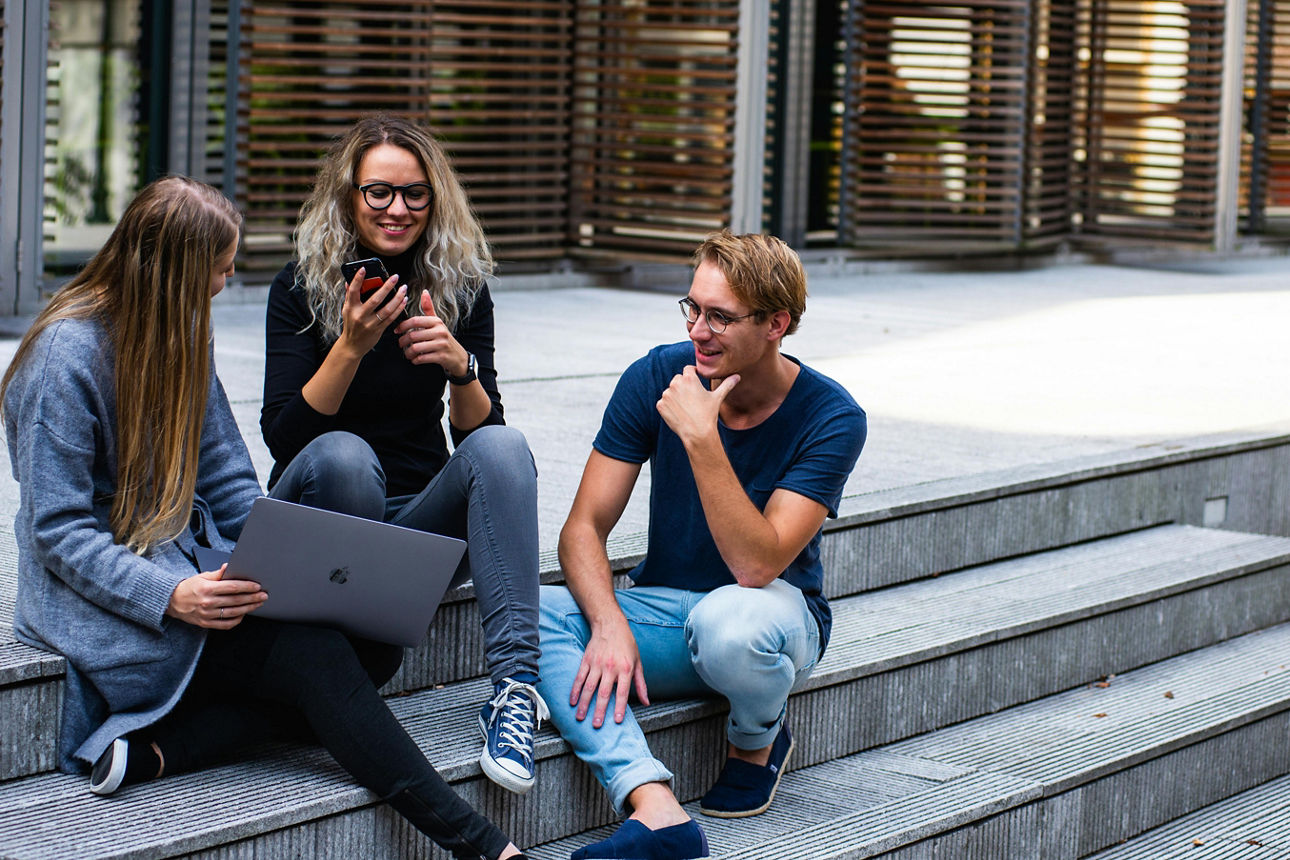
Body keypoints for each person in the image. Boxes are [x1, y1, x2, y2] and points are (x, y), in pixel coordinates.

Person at [1, 176, 529, 860]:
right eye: (218, 272)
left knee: (373, 650)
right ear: (174, 272)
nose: (223, 286)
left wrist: (270, 558)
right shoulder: (62, 360)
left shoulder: (182, 331)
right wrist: (170, 595)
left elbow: (226, 476)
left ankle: (168, 747)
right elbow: (59, 531)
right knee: (317, 659)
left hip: (194, 571)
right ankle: (483, 845)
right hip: (111, 601)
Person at [535, 232, 867, 859]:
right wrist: (607, 623)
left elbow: (757, 563)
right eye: (692, 308)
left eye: (720, 316)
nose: (699, 330)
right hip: (664, 610)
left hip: (769, 616)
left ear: (776, 323)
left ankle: (757, 735)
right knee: (533, 610)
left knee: (730, 621)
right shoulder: (656, 375)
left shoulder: (832, 416)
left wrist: (702, 438)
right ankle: (653, 805)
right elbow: (582, 528)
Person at [260, 114, 546, 795]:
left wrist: (460, 367)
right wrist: (351, 345)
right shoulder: (299, 288)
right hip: (322, 518)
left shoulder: (459, 286)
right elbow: (285, 439)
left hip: (413, 531)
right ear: (348, 196)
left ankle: (514, 693)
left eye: (415, 194)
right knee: (345, 457)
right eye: (379, 192)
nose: (397, 209)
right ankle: (338, 662)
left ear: (435, 198)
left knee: (505, 448)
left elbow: (483, 443)